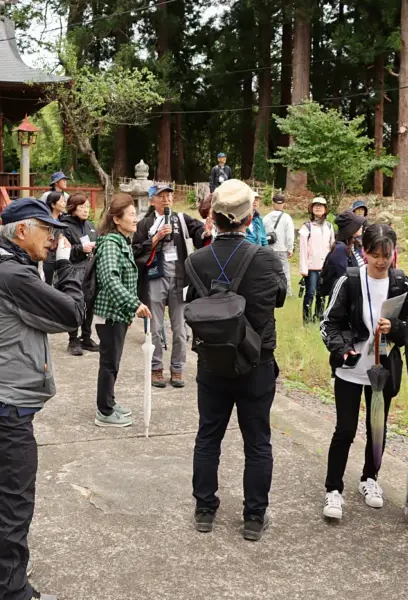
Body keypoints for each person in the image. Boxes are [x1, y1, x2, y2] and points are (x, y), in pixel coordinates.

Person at [0, 198, 83, 600]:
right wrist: (68, 266)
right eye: (48, 230)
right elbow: (71, 314)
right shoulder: (13, 274)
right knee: (12, 497)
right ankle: (12, 590)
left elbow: (42, 317)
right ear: (22, 230)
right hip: (3, 404)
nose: (55, 237)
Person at [185, 179, 286, 542]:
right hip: (256, 360)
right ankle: (254, 518)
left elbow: (192, 301)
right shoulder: (266, 259)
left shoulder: (195, 260)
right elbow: (280, 299)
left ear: (212, 216)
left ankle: (204, 510)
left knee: (208, 436)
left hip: (212, 361)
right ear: (249, 216)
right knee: (257, 440)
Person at [319, 224, 408, 521]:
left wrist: (395, 328)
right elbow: (329, 324)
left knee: (377, 428)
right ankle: (333, 489)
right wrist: (343, 349)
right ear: (364, 251)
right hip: (351, 367)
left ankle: (369, 479)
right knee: (345, 429)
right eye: (375, 254)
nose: (381, 261)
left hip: (381, 369)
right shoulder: (349, 281)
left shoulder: (400, 283)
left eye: (387, 255)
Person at [133, 183, 208, 388]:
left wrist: (207, 231)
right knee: (156, 328)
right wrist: (155, 239)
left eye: (169, 196)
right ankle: (156, 368)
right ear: (152, 200)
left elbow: (200, 234)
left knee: (180, 329)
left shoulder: (181, 219)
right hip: (155, 278)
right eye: (161, 196)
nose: (166, 199)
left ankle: (177, 368)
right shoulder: (145, 224)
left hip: (179, 279)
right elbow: (136, 250)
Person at [94, 193, 151, 427]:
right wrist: (134, 304)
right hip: (108, 314)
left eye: (135, 214)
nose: (135, 219)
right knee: (109, 362)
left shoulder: (122, 242)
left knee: (113, 361)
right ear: (117, 220)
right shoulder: (110, 244)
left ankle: (109, 401)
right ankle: (104, 412)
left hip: (117, 314)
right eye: (130, 215)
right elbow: (110, 279)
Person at [61, 192, 98, 356]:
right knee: (74, 304)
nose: (86, 210)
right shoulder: (64, 226)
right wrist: (80, 249)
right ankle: (73, 339)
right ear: (73, 208)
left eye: (88, 206)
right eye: (82, 206)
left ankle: (86, 337)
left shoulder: (90, 225)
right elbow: (62, 251)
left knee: (90, 302)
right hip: (73, 269)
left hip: (89, 269)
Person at [299, 197, 335, 323]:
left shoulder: (329, 227)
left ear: (326, 209)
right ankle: (307, 319)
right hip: (311, 267)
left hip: (324, 267)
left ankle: (319, 317)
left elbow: (332, 247)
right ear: (311, 208)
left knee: (322, 294)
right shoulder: (306, 227)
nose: (318, 208)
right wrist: (303, 269)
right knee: (310, 293)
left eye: (321, 205)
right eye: (315, 205)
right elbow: (303, 249)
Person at [263, 194, 295, 296]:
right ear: (284, 204)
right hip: (282, 248)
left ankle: (269, 291)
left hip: (269, 248)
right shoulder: (287, 218)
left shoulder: (266, 217)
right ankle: (287, 292)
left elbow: (262, 233)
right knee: (284, 271)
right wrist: (290, 248)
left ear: (273, 203)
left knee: (269, 271)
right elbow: (290, 235)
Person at [324, 210, 367, 285]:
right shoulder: (340, 249)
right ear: (350, 229)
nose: (361, 226)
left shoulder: (355, 245)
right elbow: (343, 277)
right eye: (357, 225)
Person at [41, 190, 68, 285]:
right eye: (61, 201)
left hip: (60, 258)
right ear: (53, 205)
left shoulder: (63, 220)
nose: (64, 204)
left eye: (64, 201)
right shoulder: (46, 221)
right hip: (48, 259)